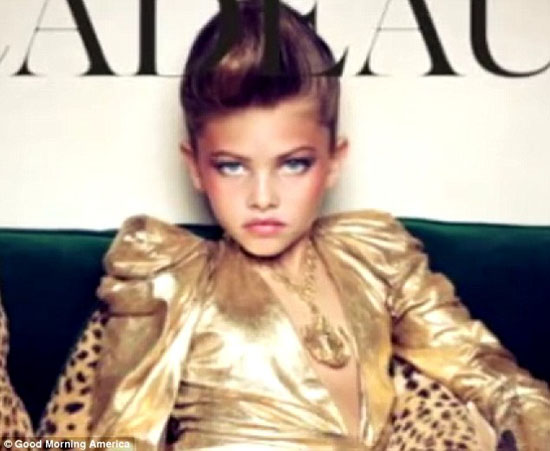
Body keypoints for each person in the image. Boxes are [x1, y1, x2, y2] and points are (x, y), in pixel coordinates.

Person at [35, 1, 550, 450]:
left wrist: (532, 423)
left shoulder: (376, 256)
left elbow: (486, 372)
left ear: (334, 161)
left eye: (294, 164)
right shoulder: (169, 273)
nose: (262, 198)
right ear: (195, 166)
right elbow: (117, 437)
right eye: (231, 166)